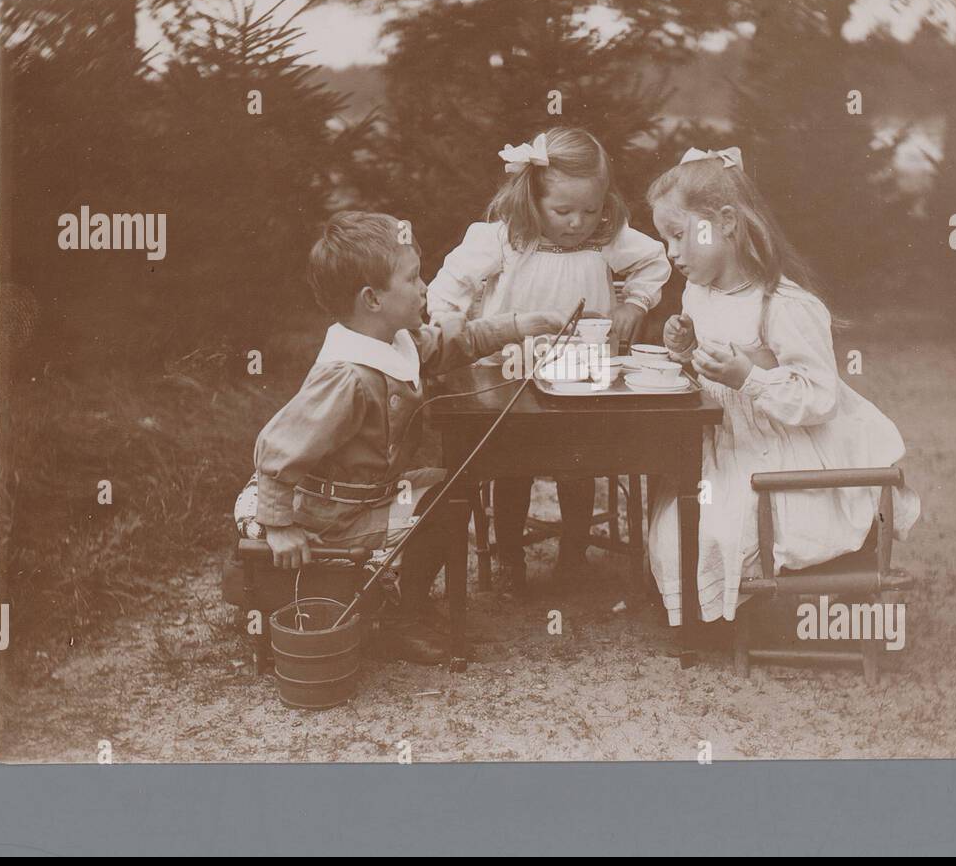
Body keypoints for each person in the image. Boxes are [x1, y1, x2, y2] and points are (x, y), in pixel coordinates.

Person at [235, 212, 564, 663]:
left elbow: (453, 343)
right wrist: (279, 525)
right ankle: (400, 620)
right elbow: (277, 450)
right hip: (333, 513)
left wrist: (517, 325)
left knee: (453, 488)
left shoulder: (395, 341)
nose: (425, 286)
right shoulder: (346, 376)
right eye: (413, 278)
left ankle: (408, 604)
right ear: (372, 298)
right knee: (443, 503)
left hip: (368, 496)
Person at [645, 147, 920, 626]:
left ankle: (727, 614)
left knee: (717, 534)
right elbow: (709, 372)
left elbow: (819, 396)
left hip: (784, 449)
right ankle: (707, 613)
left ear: (726, 223)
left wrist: (748, 377)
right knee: (675, 531)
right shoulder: (698, 292)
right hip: (730, 443)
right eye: (664, 239)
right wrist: (686, 348)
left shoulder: (783, 304)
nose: (671, 253)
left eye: (679, 235)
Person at [427, 126, 671, 592]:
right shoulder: (503, 239)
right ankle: (510, 557)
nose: (578, 222)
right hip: (507, 374)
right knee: (511, 465)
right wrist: (449, 330)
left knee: (577, 462)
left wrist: (634, 304)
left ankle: (574, 552)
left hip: (580, 377)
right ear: (530, 199)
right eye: (563, 210)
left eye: (591, 209)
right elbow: (449, 285)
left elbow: (654, 260)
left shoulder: (606, 237)